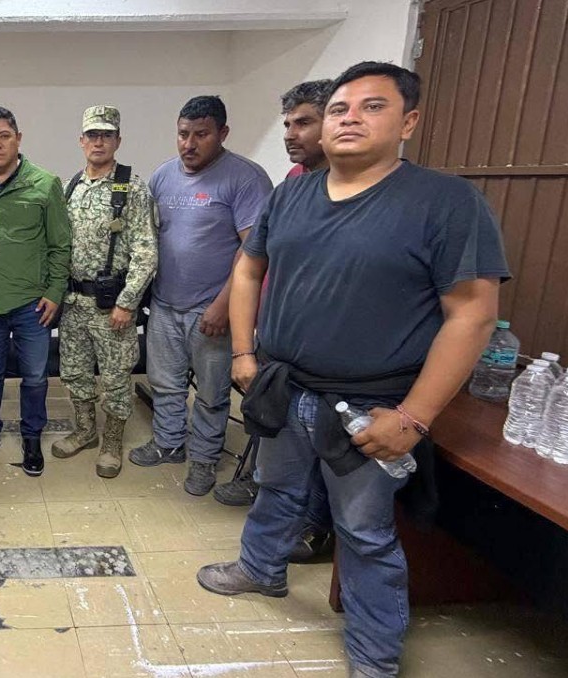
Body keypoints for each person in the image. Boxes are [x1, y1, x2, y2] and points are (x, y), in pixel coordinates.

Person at [197, 62, 508, 678]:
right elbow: (248, 270)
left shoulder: (444, 203)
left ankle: (373, 655)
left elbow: (471, 317)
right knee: (277, 488)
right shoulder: (292, 195)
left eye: (372, 107)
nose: (349, 119)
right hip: (284, 386)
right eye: (340, 109)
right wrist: (243, 354)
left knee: (363, 531)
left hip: (372, 403)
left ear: (408, 122)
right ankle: (262, 569)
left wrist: (414, 417)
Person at [129, 96, 272, 497]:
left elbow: (254, 252)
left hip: (213, 310)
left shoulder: (245, 178)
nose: (189, 144)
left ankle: (205, 461)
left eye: (201, 135)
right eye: (183, 134)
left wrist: (224, 304)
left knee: (211, 394)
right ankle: (168, 442)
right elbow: (148, 239)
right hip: (164, 303)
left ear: (222, 134)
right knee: (165, 382)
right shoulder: (162, 177)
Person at [214, 79, 332, 516]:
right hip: (278, 338)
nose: (290, 134)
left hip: (340, 361)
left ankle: (315, 525)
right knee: (274, 432)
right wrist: (247, 347)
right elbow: (252, 265)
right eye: (287, 124)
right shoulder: (291, 185)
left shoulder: (389, 198)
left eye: (304, 123)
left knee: (327, 455)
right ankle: (267, 528)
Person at [0, 106, 72, 477]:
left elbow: (60, 245)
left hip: (32, 303)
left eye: (4, 136)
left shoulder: (45, 183)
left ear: (18, 139)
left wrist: (55, 291)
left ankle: (32, 435)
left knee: (35, 375)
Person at [51, 106, 157, 478]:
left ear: (118, 141)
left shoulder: (132, 187)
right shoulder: (70, 187)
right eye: (92, 135)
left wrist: (128, 302)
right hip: (74, 302)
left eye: (106, 135)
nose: (98, 141)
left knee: (115, 376)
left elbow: (146, 250)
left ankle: (112, 442)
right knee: (75, 371)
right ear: (81, 141)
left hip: (112, 305)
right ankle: (85, 431)